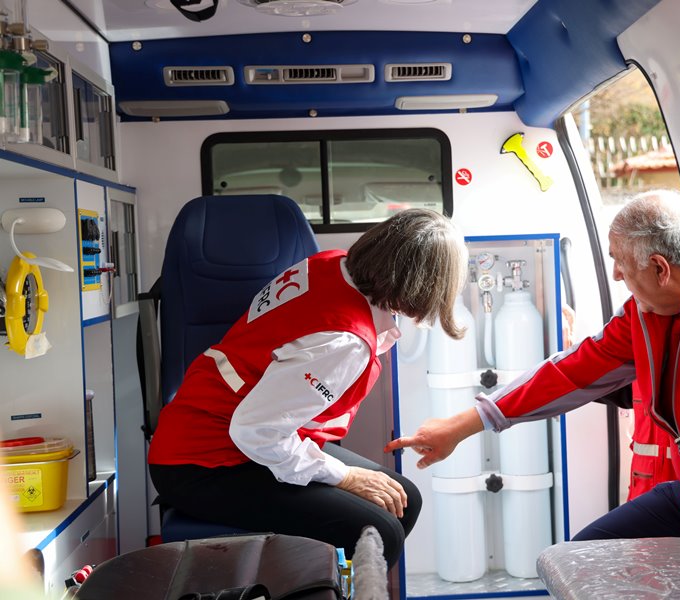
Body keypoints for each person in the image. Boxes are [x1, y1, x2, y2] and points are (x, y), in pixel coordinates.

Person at [386, 191, 680, 541]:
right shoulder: (642, 316)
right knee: (579, 558)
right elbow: (569, 373)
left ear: (659, 269)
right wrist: (460, 426)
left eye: (620, 262)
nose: (615, 274)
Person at [148, 208, 469, 567]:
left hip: (229, 431)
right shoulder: (344, 340)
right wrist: (345, 477)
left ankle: (330, 583)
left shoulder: (332, 264)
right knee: (379, 533)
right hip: (203, 462)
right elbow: (256, 431)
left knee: (403, 500)